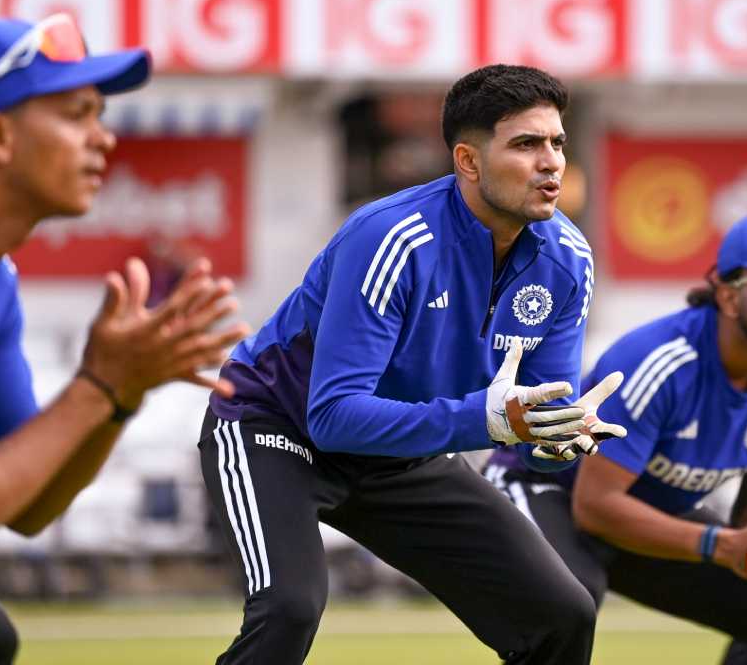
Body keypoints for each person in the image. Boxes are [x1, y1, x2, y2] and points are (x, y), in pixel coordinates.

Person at [199, 64, 625, 665]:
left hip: (403, 454)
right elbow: (334, 417)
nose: (551, 161)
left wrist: (557, 436)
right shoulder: (391, 237)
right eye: (526, 144)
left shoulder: (569, 258)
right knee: (289, 608)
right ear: (468, 162)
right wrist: (488, 422)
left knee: (563, 614)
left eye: (556, 141)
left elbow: (531, 412)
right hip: (275, 428)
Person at [0, 15, 247, 663]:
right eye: (77, 113)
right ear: (1, 135)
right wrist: (100, 385)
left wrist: (120, 396)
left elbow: (30, 506)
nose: (105, 137)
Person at [486, 209, 747, 664]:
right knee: (570, 603)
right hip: (549, 489)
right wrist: (718, 546)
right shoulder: (660, 362)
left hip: (644, 522)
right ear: (729, 296)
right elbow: (595, 508)